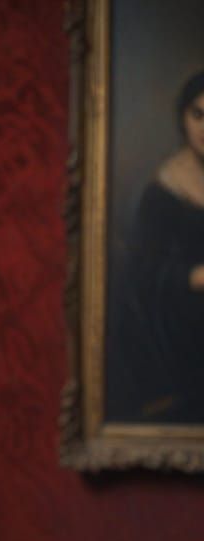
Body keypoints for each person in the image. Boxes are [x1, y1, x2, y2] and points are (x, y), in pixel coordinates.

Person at [106, 69, 204, 424]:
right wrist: (195, 277)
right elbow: (143, 274)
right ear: (183, 117)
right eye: (198, 114)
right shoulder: (162, 191)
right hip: (180, 322)